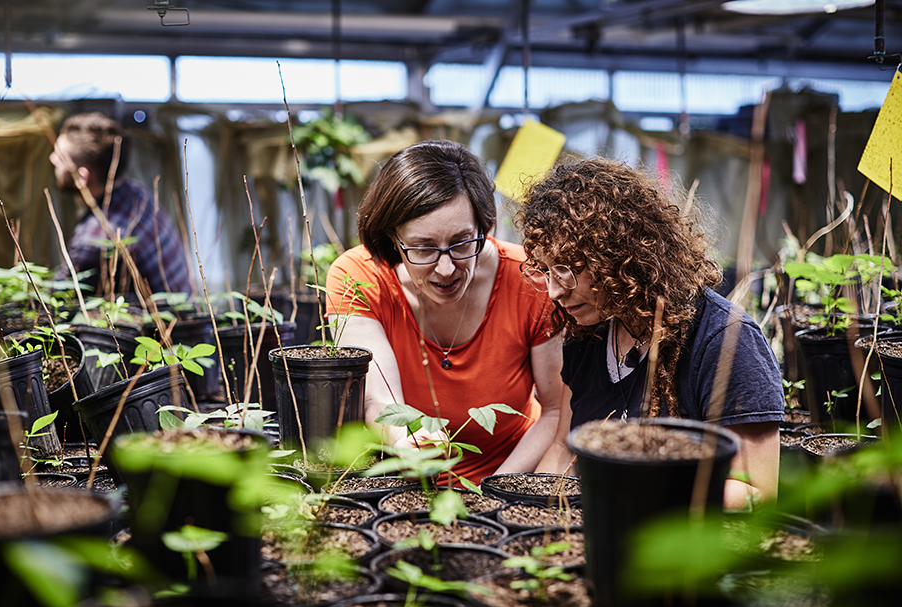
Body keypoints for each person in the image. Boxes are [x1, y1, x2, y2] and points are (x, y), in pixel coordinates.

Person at [515, 156, 783, 510]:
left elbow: (757, 491)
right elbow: (565, 446)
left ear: (617, 254)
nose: (553, 291)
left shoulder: (724, 340)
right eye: (546, 271)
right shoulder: (587, 332)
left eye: (566, 269)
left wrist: (638, 493)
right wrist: (538, 516)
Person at [325, 140, 563, 485]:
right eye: (423, 248)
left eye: (463, 242)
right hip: (407, 483)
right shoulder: (359, 276)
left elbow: (555, 409)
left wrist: (497, 490)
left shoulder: (530, 278)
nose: (447, 269)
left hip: (512, 473)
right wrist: (405, 441)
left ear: (483, 226)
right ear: (393, 238)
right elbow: (378, 400)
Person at [50, 112, 192, 296]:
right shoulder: (136, 194)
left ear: (82, 177)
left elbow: (57, 298)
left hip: (165, 324)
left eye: (59, 158)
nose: (52, 159)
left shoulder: (95, 240)